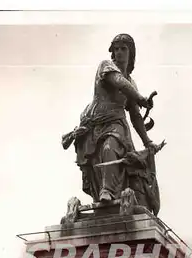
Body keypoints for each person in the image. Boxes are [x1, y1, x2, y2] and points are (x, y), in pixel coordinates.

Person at [62, 33, 161, 211]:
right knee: (96, 165)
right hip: (94, 124)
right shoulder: (106, 67)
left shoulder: (131, 83)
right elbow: (119, 83)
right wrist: (140, 98)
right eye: (116, 49)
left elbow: (135, 116)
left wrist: (147, 141)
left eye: (124, 49)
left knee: (110, 147)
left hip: (116, 123)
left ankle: (108, 191)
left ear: (131, 54)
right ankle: (102, 198)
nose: (119, 53)